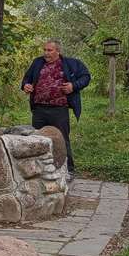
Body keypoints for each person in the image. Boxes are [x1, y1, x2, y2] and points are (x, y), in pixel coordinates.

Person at [21, 39, 91, 180]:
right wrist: (26, 85)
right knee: (37, 139)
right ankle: (40, 170)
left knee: (62, 139)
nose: (46, 53)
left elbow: (86, 77)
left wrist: (73, 86)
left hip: (59, 109)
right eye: (45, 50)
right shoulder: (37, 62)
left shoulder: (71, 63)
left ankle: (69, 170)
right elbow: (27, 79)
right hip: (39, 109)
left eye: (49, 50)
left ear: (58, 51)